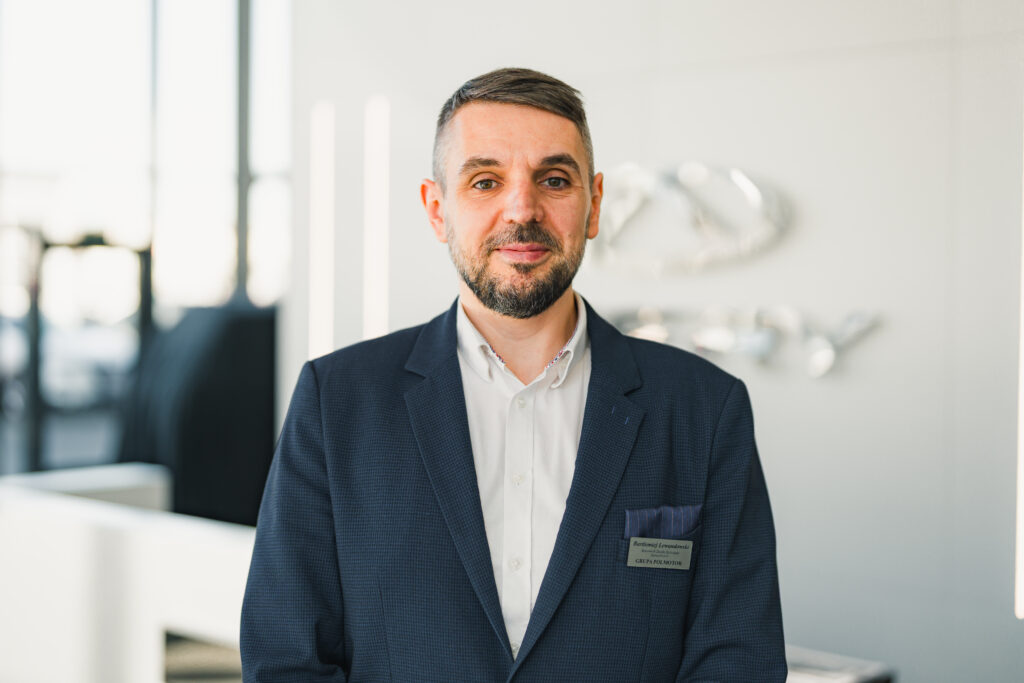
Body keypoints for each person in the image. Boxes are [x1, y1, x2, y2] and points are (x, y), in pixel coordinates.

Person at [241, 67, 786, 682]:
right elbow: (286, 657)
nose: (522, 210)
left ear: (594, 205)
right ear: (437, 209)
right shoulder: (337, 402)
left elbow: (737, 658)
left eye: (554, 180)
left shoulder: (704, 409)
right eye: (485, 181)